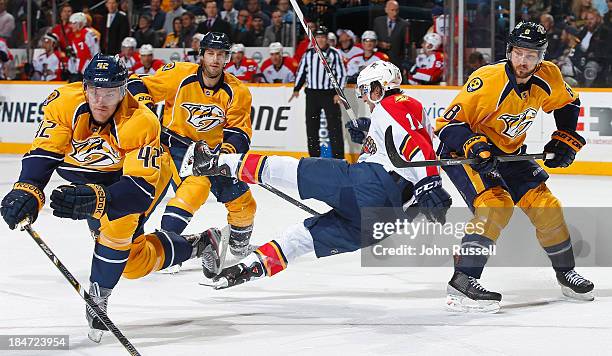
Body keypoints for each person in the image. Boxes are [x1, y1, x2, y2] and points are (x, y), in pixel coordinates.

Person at [0, 53, 223, 342]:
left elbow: (139, 191)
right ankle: (202, 243)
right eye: (94, 90)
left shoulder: (141, 121)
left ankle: (98, 296)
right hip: (92, 180)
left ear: (123, 90)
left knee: (115, 234)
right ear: (84, 87)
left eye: (110, 92)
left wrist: (97, 199)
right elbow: (45, 152)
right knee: (133, 264)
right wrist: (27, 190)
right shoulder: (63, 103)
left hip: (131, 182)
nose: (100, 100)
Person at [182, 61, 451, 290]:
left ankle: (214, 162)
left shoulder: (397, 102)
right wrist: (370, 132)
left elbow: (417, 145)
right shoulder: (401, 111)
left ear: (381, 86)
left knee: (288, 170)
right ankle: (247, 269)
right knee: (299, 238)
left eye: (367, 91)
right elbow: (413, 144)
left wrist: (430, 183)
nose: (366, 99)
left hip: (369, 187)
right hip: (385, 222)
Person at [435, 22, 594, 313]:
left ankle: (566, 273)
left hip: (509, 152)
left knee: (548, 207)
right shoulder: (487, 79)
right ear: (509, 51)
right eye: (519, 53)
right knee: (496, 206)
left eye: (531, 55)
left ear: (541, 57)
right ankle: (463, 279)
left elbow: (569, 102)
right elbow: (447, 125)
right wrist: (474, 144)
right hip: (466, 151)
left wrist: (564, 139)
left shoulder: (549, 75)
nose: (523, 61)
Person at [127, 32, 257, 260]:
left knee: (245, 205)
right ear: (201, 55)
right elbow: (136, 83)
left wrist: (224, 155)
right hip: (177, 147)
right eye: (210, 54)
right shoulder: (178, 74)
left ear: (227, 58)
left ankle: (239, 246)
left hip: (216, 153)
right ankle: (162, 241)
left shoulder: (238, 91)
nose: (215, 59)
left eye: (220, 55)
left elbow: (239, 132)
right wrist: (146, 105)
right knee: (194, 189)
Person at [292, 26, 346, 159]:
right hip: (312, 94)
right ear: (314, 39)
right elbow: (301, 72)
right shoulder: (308, 54)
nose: (320, 40)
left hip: (329, 94)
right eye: (318, 37)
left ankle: (338, 157)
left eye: (323, 37)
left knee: (334, 127)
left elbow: (341, 74)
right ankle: (314, 157)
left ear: (327, 38)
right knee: (311, 126)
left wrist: (338, 93)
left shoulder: (335, 53)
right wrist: (296, 88)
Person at [373, 0, 410, 69]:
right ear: (386, 10)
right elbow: (373, 39)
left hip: (397, 63)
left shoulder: (404, 25)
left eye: (397, 10)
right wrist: (379, 44)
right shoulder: (378, 21)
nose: (395, 13)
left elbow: (407, 46)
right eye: (392, 10)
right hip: (380, 61)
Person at [66, 12, 99, 81]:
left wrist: (93, 68)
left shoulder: (88, 33)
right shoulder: (74, 36)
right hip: (78, 70)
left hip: (87, 69)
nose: (71, 26)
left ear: (80, 23)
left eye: (74, 23)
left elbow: (95, 51)